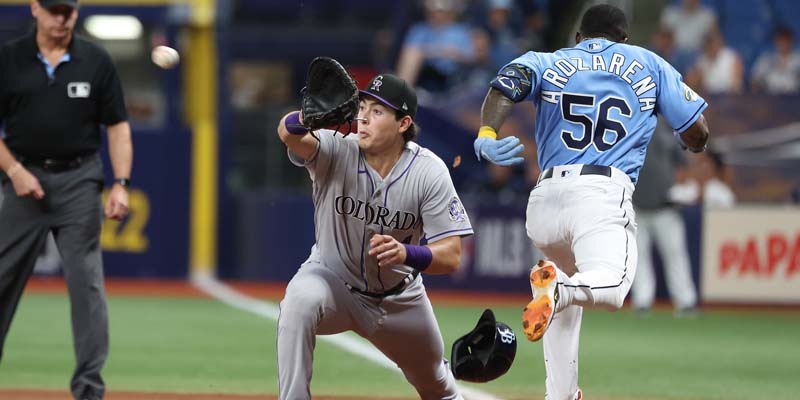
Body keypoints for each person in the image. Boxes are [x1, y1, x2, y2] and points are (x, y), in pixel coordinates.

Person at [473, 5, 710, 399]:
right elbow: (698, 133)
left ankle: (560, 394)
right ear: (624, 39)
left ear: (579, 38)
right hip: (600, 194)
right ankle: (561, 290)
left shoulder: (548, 60)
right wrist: (686, 136)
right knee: (612, 286)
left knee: (564, 305)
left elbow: (504, 86)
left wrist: (486, 132)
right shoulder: (648, 63)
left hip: (545, 202)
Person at [276, 73, 473, 399]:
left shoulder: (429, 171)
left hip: (398, 299)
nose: (363, 116)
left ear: (403, 123)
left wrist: (407, 254)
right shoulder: (337, 148)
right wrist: (307, 117)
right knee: (299, 302)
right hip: (331, 282)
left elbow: (451, 256)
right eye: (363, 106)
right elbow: (288, 132)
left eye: (378, 111)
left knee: (436, 384)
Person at [0, 1, 133, 399]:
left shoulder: (95, 60)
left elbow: (118, 127)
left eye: (68, 11)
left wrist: (121, 182)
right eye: (54, 10)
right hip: (24, 180)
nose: (62, 18)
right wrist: (14, 171)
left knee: (87, 285)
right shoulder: (10, 59)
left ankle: (89, 388)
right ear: (35, 9)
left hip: (79, 179)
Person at [630, 120, 699, 317]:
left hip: (665, 207)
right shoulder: (631, 125)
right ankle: (642, 301)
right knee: (638, 256)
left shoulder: (668, 127)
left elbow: (683, 165)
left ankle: (686, 301)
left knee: (675, 255)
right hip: (636, 205)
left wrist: (682, 189)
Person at [751, 26, 800, 94]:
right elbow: (755, 81)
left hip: (794, 98)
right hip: (771, 98)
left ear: (792, 42)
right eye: (781, 41)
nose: (783, 44)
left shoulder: (798, 60)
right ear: (776, 42)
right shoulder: (766, 59)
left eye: (786, 41)